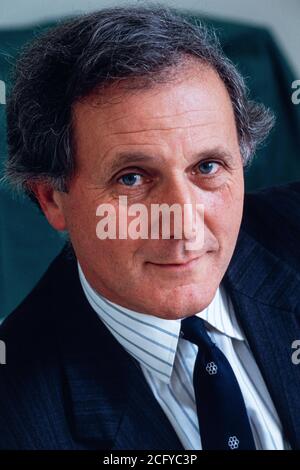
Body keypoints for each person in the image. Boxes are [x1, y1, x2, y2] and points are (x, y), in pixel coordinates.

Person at [0, 6, 300, 450]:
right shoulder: (18, 419)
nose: (184, 224)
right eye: (133, 179)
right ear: (51, 199)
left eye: (208, 166)